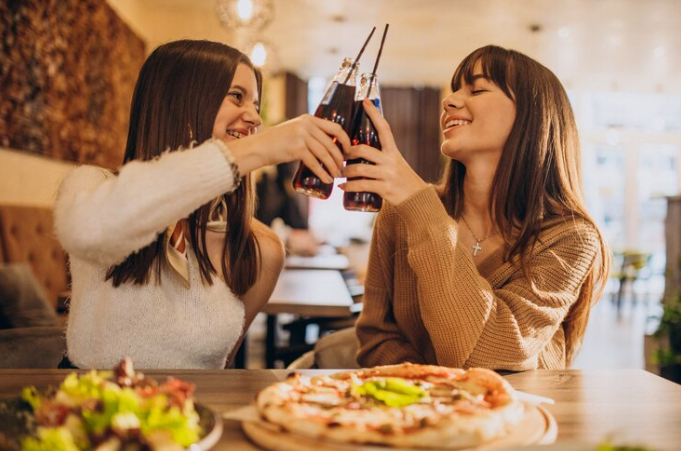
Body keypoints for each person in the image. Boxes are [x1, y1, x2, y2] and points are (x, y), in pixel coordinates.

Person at [54, 40, 349, 369]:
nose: (254, 118)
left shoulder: (259, 249)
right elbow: (88, 232)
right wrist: (261, 149)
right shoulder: (93, 188)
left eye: (256, 103)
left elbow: (221, 370)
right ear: (180, 101)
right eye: (237, 96)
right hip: (87, 410)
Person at [343, 45, 610, 371]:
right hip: (413, 416)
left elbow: (492, 353)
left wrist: (420, 206)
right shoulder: (399, 214)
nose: (450, 100)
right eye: (455, 89)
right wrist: (435, 398)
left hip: (520, 416)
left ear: (532, 116)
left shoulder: (572, 238)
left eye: (478, 88)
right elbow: (376, 339)